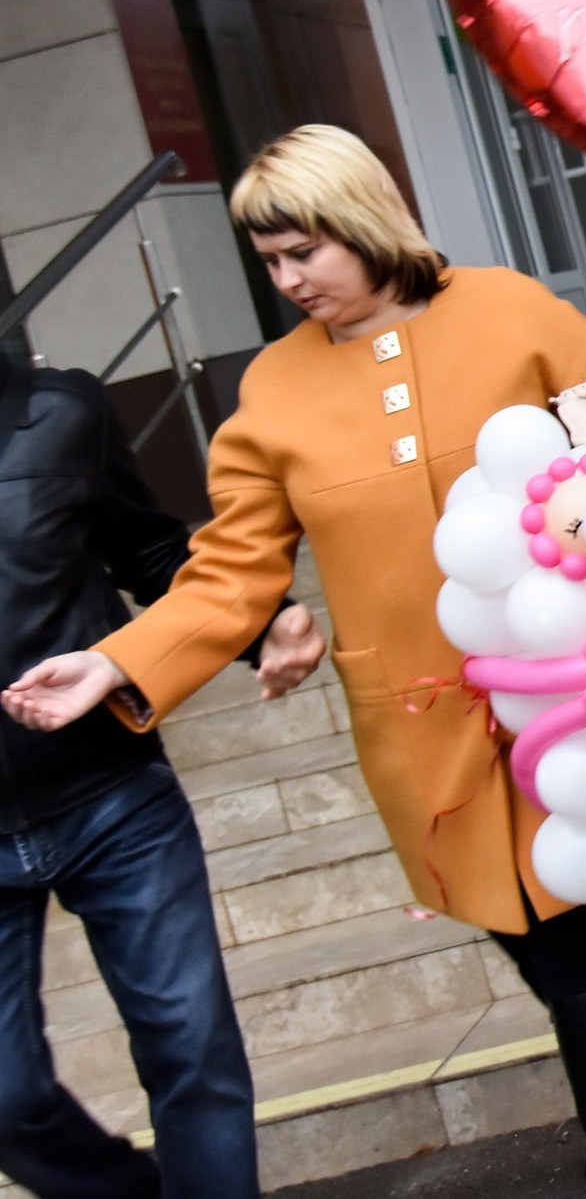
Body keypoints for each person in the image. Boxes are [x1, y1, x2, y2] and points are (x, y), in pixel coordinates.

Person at [3, 127, 586, 1199]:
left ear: (361, 220)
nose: (288, 282)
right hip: (419, 722)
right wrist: (115, 662)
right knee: (520, 931)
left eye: (301, 253)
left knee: (569, 935)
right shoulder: (273, 395)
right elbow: (227, 572)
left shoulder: (516, 312)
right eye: (270, 263)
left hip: (566, 689)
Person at [0, 350, 319, 1199]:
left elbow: (148, 553)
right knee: (7, 1097)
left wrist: (261, 627)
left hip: (110, 798)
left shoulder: (61, 411)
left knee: (190, 1046)